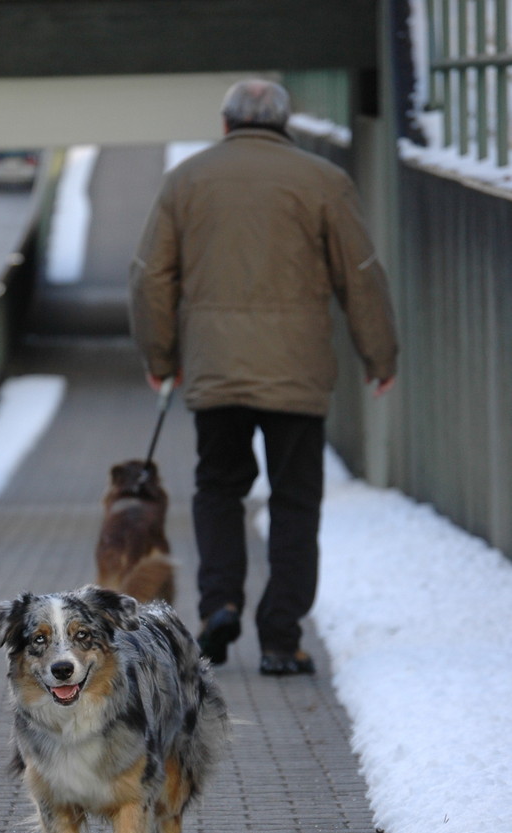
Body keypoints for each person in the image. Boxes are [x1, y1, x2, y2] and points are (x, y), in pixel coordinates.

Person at [129, 78, 398, 676]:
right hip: (296, 375)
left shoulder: (187, 181)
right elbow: (361, 275)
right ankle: (281, 638)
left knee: (219, 489)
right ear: (286, 124)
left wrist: (160, 358)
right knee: (295, 499)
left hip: (215, 369)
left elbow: (150, 277)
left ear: (226, 124)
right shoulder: (324, 181)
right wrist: (380, 356)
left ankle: (220, 603)